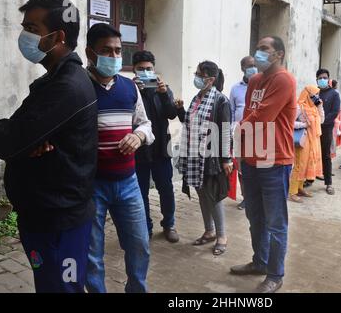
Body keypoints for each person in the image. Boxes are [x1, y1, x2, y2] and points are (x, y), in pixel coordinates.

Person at [0, 0, 98, 293]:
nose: (24, 35)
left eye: (32, 27)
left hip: (59, 221)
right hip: (45, 214)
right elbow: (19, 136)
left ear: (58, 36)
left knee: (62, 288)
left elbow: (9, 141)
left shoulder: (66, 87)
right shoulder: (55, 80)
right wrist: (26, 142)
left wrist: (20, 141)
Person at [84, 24, 155, 293]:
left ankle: (137, 288)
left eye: (117, 51)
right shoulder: (78, 88)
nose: (114, 57)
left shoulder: (129, 88)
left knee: (139, 244)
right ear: (90, 52)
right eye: (106, 51)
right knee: (92, 253)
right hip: (92, 186)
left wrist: (138, 136)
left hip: (128, 183)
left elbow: (146, 124)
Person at [230, 36, 296, 293]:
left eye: (264, 49)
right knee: (254, 215)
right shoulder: (255, 80)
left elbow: (263, 117)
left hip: (275, 160)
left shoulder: (284, 80)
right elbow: (249, 113)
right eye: (257, 48)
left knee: (276, 222)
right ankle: (260, 261)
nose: (258, 53)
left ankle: (275, 274)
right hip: (251, 158)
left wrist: (236, 131)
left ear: (278, 54)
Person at [177, 61, 232, 257]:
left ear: (210, 79)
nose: (197, 77)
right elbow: (189, 122)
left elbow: (225, 132)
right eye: (196, 73)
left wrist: (226, 159)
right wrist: (179, 111)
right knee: (201, 194)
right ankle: (209, 231)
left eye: (200, 74)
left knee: (214, 196)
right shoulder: (197, 98)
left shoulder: (220, 101)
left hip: (212, 157)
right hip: (194, 156)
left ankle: (222, 236)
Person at [131, 51, 180, 243]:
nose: (145, 72)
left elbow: (171, 114)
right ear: (134, 70)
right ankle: (146, 227)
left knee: (166, 188)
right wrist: (135, 90)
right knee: (141, 191)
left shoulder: (163, 90)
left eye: (148, 69)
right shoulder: (129, 89)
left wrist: (164, 94)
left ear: (154, 69)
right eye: (141, 69)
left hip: (161, 149)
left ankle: (169, 224)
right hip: (140, 149)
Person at [229, 56, 257, 210]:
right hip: (239, 134)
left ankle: (256, 197)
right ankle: (246, 198)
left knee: (257, 166)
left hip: (258, 133)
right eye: (249, 66)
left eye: (254, 65)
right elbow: (232, 112)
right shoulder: (235, 89)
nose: (252, 68)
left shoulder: (263, 86)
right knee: (241, 168)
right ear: (242, 69)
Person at [289, 86, 324, 203]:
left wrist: (320, 106)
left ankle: (300, 188)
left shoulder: (314, 107)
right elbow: (290, 123)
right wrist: (304, 125)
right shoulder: (299, 107)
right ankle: (292, 192)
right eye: (314, 95)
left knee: (306, 164)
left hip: (313, 140)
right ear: (307, 95)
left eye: (317, 94)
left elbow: (322, 120)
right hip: (303, 139)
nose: (316, 97)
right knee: (299, 164)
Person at [317, 69, 341, 195]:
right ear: (317, 79)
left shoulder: (334, 94)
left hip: (326, 128)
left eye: (324, 77)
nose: (322, 79)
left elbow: (335, 111)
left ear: (328, 79)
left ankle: (328, 183)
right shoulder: (314, 92)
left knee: (325, 155)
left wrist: (322, 121)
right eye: (320, 77)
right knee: (311, 154)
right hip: (313, 128)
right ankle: (308, 179)